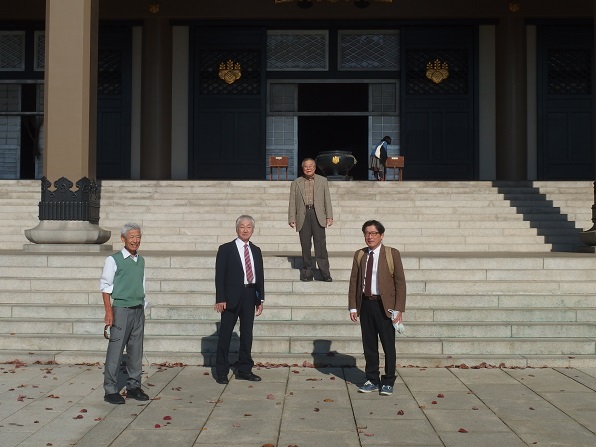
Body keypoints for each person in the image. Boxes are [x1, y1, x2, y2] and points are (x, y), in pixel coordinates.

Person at [348, 220, 406, 396]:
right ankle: (372, 379)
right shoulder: (360, 254)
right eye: (367, 233)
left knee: (388, 345)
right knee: (369, 346)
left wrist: (398, 308)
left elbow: (400, 282)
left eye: (373, 233)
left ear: (381, 235)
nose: (370, 236)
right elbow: (354, 282)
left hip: (385, 306)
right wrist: (353, 307)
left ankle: (388, 381)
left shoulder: (391, 254)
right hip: (366, 304)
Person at [101, 222, 150, 404]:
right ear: (123, 239)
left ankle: (133, 386)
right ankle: (110, 389)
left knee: (136, 351)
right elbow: (105, 287)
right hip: (121, 310)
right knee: (115, 350)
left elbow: (141, 285)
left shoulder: (141, 261)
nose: (135, 240)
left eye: (138, 237)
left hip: (137, 310)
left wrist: (143, 307)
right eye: (132, 237)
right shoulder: (113, 260)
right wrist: (109, 312)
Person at [214, 215, 265, 384]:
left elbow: (259, 276)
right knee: (225, 334)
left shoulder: (256, 250)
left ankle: (244, 369)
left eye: (249, 227)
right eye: (242, 226)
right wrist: (220, 298)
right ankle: (221, 371)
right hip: (230, 297)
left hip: (250, 294)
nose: (245, 230)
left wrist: (260, 298)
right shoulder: (226, 249)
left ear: (253, 230)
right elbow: (220, 275)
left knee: (247, 334)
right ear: (237, 229)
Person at [288, 158, 334, 282]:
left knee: (320, 245)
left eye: (311, 166)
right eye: (306, 166)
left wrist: (329, 216)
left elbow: (327, 199)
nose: (308, 168)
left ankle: (325, 273)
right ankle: (307, 272)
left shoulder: (322, 180)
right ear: (302, 168)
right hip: (303, 215)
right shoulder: (296, 182)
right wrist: (292, 217)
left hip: (317, 214)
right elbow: (292, 201)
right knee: (305, 245)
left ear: (315, 167)